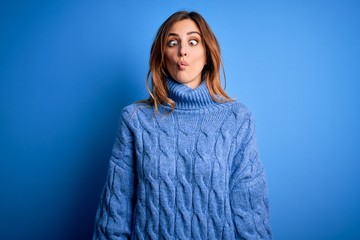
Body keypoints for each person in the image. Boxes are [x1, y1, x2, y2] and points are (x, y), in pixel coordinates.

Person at [93, 11, 271, 239]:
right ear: (162, 55)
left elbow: (251, 211)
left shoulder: (237, 119)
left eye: (193, 41)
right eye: (173, 42)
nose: (182, 51)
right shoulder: (135, 119)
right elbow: (115, 212)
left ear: (208, 54)